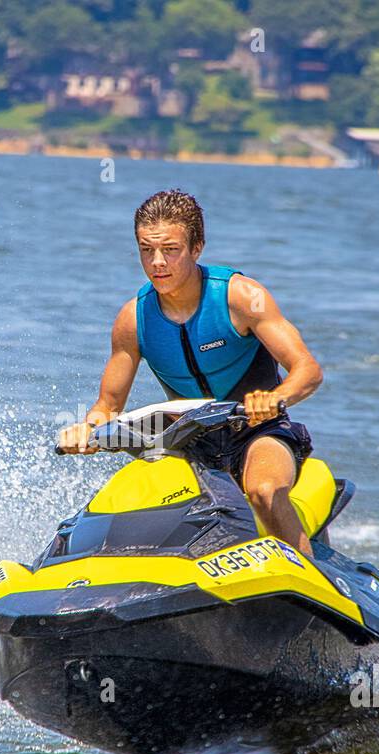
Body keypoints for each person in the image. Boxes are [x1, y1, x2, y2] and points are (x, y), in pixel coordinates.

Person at [56, 189, 324, 553]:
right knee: (136, 505)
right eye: (146, 250)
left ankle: (311, 580)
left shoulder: (240, 297)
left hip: (260, 431)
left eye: (171, 249)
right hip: (189, 441)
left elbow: (307, 370)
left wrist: (274, 398)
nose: (157, 263)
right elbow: (108, 404)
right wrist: (87, 429)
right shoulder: (133, 320)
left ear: (197, 247)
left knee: (262, 492)